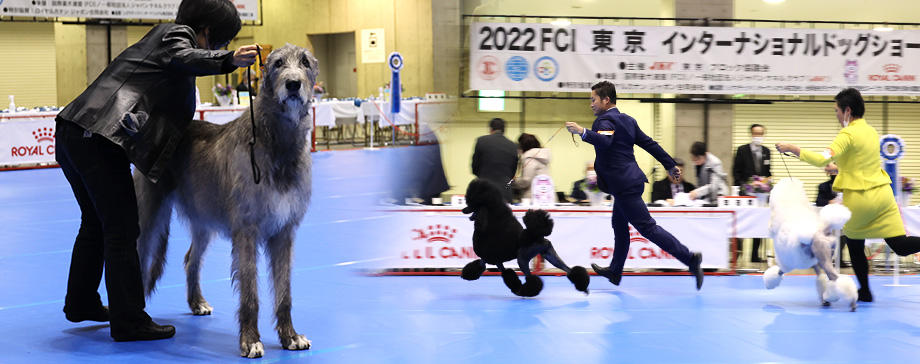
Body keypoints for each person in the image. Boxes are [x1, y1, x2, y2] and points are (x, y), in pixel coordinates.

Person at [53, 0, 259, 341]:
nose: (221, 48)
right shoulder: (173, 35)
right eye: (220, 42)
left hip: (75, 132)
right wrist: (228, 60)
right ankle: (129, 319)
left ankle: (81, 303)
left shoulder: (160, 43)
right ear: (207, 32)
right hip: (97, 138)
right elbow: (185, 56)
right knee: (122, 229)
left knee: (93, 225)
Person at [775, 88, 920, 302]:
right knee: (900, 244)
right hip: (883, 197)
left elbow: (820, 159)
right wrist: (839, 169)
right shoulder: (871, 132)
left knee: (854, 243)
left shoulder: (847, 134)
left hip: (861, 200)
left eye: (836, 110)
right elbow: (861, 163)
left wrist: (794, 149)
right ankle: (865, 292)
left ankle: (866, 292)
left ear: (848, 111)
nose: (836, 115)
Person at [565, 81, 703, 289]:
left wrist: (582, 131)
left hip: (623, 185)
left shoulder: (605, 121)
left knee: (647, 228)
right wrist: (669, 165)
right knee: (619, 227)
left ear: (606, 100)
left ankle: (690, 259)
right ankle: (615, 271)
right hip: (628, 183)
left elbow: (604, 141)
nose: (591, 104)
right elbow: (649, 144)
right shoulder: (627, 120)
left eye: (593, 100)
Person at [733, 124, 772, 262]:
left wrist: (765, 183)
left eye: (761, 134)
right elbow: (736, 172)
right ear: (751, 134)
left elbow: (768, 173)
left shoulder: (767, 151)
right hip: (745, 193)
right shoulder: (742, 150)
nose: (758, 136)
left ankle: (755, 255)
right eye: (756, 133)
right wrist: (747, 185)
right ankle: (737, 252)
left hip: (761, 195)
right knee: (742, 223)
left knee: (759, 222)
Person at [471, 118, 519, 202]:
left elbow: (474, 167)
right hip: (505, 192)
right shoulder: (513, 145)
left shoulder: (481, 141)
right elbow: (513, 172)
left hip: (484, 190)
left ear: (490, 129)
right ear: (504, 130)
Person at [512, 133, 551, 200]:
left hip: (533, 198)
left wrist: (513, 182)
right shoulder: (542, 157)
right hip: (546, 197)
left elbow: (526, 181)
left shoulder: (529, 158)